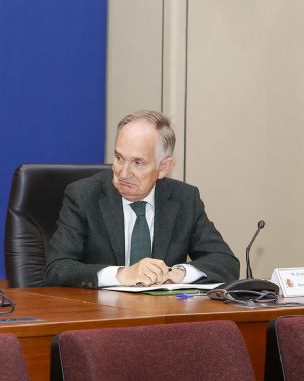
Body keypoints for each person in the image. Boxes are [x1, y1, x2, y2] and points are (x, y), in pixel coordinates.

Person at [45, 110, 239, 288]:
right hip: (100, 315)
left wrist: (178, 273)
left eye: (138, 163)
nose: (123, 172)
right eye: (119, 158)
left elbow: (225, 262)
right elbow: (57, 268)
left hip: (163, 317)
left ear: (163, 167)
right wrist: (121, 274)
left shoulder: (185, 199)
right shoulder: (84, 195)